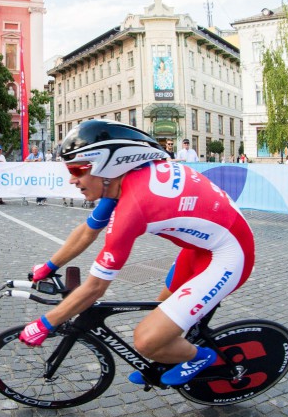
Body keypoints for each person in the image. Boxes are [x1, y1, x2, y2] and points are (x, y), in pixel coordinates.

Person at [19, 120, 255, 388]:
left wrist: (44, 324)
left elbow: (96, 288)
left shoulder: (132, 208)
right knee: (161, 309)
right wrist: (49, 266)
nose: (72, 179)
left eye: (77, 170)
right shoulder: (124, 179)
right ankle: (174, 351)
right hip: (203, 248)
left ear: (108, 166)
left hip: (230, 255)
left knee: (147, 340)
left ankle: (201, 356)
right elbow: (87, 231)